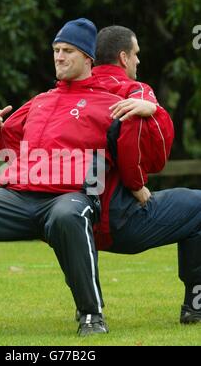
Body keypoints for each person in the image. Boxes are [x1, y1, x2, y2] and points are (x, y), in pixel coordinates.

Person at [0, 18, 129, 337]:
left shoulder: (110, 103)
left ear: (88, 58)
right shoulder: (41, 101)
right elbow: (10, 144)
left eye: (67, 50)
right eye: (56, 50)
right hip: (18, 197)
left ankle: (90, 315)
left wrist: (136, 184)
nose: (59, 57)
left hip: (70, 197)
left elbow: (136, 147)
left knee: (69, 215)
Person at [91, 25, 201, 325]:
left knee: (81, 206)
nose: (138, 61)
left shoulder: (72, 90)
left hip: (75, 219)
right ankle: (196, 303)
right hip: (119, 222)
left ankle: (88, 305)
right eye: (136, 55)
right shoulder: (135, 91)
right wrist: (136, 183)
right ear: (123, 57)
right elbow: (139, 143)